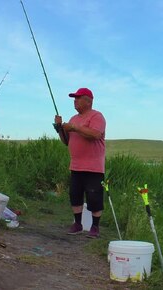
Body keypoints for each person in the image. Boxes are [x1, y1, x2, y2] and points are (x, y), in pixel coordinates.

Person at [54, 87, 106, 238]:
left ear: (88, 101)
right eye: (74, 98)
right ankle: (77, 224)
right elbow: (66, 141)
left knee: (94, 197)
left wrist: (74, 127)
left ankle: (95, 227)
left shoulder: (97, 116)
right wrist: (60, 129)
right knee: (75, 195)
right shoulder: (73, 119)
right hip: (76, 165)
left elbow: (95, 134)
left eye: (78, 98)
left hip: (94, 167)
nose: (75, 101)